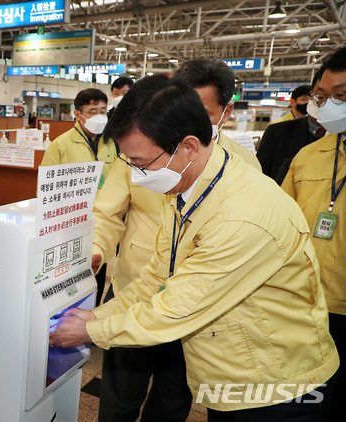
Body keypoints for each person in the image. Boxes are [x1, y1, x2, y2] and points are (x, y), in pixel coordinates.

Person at [50, 75, 338, 420]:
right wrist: (99, 313)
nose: (135, 173)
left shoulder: (241, 214)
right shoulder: (187, 187)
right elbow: (155, 277)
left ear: (187, 147)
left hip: (276, 383)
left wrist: (91, 330)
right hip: (231, 372)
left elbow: (177, 308)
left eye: (140, 162)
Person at [92, 58, 263, 422]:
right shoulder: (142, 149)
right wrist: (97, 249)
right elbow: (107, 213)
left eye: (200, 112)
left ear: (226, 111)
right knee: (117, 401)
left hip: (197, 311)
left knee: (171, 404)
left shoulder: (244, 166)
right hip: (135, 290)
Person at [281, 46, 346, 422]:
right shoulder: (309, 156)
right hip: (307, 306)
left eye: (343, 95)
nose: (330, 104)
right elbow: (283, 224)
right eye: (324, 95)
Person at [41, 88, 117, 306]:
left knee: (98, 272)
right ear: (78, 114)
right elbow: (47, 190)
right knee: (69, 275)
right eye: (93, 111)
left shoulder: (111, 143)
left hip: (103, 222)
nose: (100, 116)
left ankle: (91, 314)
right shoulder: (61, 145)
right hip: (70, 223)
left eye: (103, 110)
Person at [258, 73, 326, 184]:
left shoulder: (339, 136)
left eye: (339, 95)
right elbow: (261, 171)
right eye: (321, 96)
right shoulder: (277, 131)